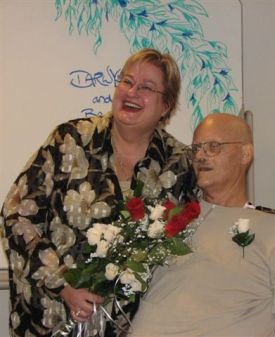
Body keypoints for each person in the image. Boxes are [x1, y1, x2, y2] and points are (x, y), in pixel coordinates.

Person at [0, 48, 196, 337]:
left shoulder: (178, 163)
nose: (131, 92)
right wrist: (62, 283)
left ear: (165, 105)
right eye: (127, 81)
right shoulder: (70, 140)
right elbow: (17, 215)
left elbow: (194, 238)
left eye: (146, 87)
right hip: (52, 320)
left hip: (137, 327)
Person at [130, 113, 275, 337]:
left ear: (246, 153)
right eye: (196, 148)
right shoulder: (169, 221)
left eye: (213, 146)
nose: (200, 156)